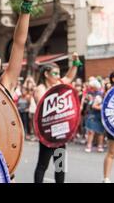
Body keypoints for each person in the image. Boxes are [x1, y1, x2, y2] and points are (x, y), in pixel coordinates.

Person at [32, 54, 82, 183]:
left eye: (59, 73)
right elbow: (43, 108)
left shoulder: (59, 84)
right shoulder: (40, 89)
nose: (58, 76)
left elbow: (70, 76)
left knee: (60, 166)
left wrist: (75, 62)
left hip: (60, 133)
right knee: (42, 165)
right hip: (47, 134)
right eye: (55, 73)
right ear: (46, 74)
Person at [84, 78, 105, 153]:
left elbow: (95, 105)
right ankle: (90, 145)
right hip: (92, 113)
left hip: (97, 114)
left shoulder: (100, 94)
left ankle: (99, 145)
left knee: (99, 131)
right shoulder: (91, 94)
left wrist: (100, 107)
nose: (90, 88)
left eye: (91, 87)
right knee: (91, 131)